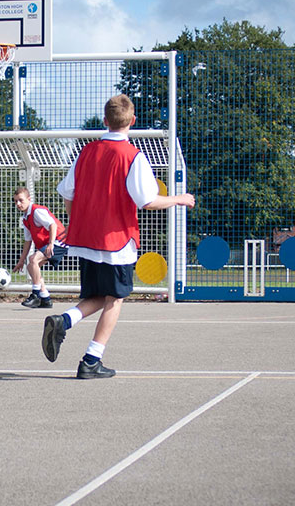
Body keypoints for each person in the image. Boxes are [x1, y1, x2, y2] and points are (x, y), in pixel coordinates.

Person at [42, 94, 195, 379]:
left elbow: (67, 193)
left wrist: (77, 220)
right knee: (115, 299)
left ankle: (64, 320)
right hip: (117, 241)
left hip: (86, 241)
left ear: (104, 120)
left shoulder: (86, 152)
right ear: (132, 121)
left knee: (98, 295)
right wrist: (178, 198)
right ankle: (90, 360)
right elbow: (147, 201)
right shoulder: (132, 156)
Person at [12, 187, 68, 308]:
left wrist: (51, 244)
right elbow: (28, 241)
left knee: (33, 259)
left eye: (21, 200)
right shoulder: (26, 218)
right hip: (52, 242)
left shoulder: (36, 211)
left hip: (59, 240)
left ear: (29, 199)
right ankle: (45, 298)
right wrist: (21, 261)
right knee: (31, 266)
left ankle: (35, 295)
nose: (18, 204)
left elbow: (52, 225)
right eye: (15, 201)